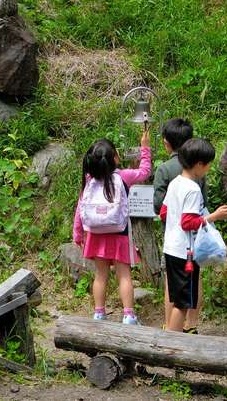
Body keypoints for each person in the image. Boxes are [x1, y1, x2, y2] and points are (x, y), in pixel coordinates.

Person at [73, 131, 151, 325]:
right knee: (124, 275)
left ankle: (99, 313)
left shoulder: (89, 181)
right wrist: (145, 148)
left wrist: (78, 234)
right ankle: (129, 315)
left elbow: (80, 208)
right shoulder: (123, 176)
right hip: (119, 233)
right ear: (115, 158)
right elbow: (145, 172)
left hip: (95, 234)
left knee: (100, 275)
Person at [159, 138, 227, 332]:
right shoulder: (192, 189)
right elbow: (187, 223)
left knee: (178, 299)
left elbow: (164, 213)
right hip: (185, 253)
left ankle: (172, 342)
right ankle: (172, 346)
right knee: (182, 305)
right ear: (199, 164)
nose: (208, 169)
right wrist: (214, 216)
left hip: (171, 248)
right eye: (208, 165)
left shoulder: (176, 183)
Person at [153, 118, 207, 333]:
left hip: (172, 239)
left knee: (173, 285)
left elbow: (160, 207)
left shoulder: (165, 170)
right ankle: (191, 325)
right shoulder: (197, 173)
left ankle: (169, 325)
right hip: (190, 243)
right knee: (192, 282)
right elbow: (201, 208)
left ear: (167, 143)